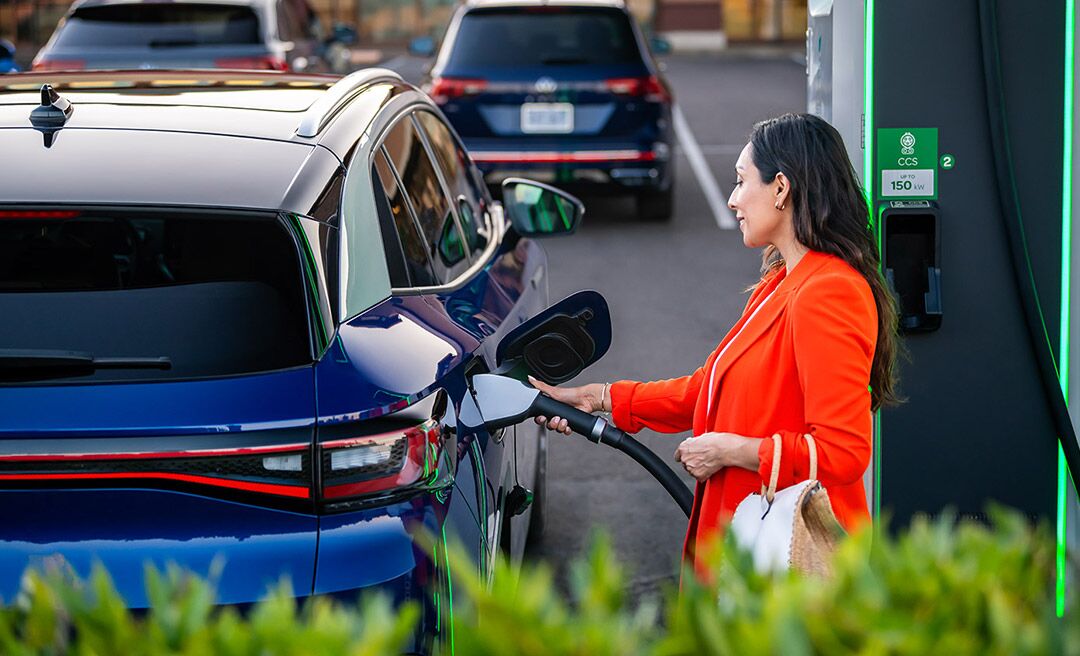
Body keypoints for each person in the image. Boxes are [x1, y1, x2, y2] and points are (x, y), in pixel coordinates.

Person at [531, 112, 902, 571]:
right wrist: (600, 397)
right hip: (757, 553)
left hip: (791, 565)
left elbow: (842, 452)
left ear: (781, 189)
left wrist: (732, 451)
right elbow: (710, 389)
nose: (731, 199)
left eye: (742, 181)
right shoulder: (783, 282)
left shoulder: (828, 291)